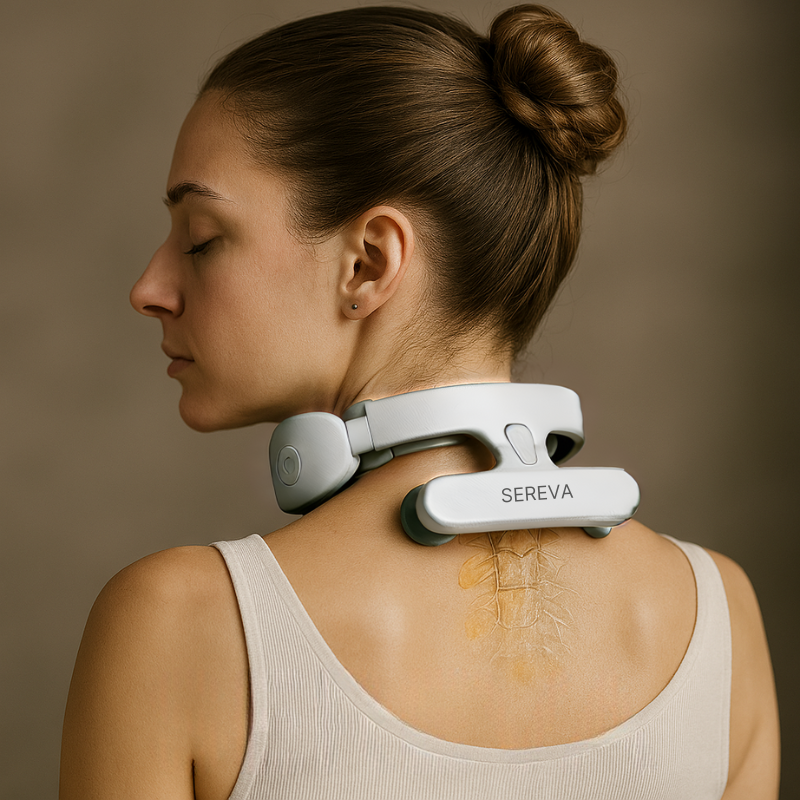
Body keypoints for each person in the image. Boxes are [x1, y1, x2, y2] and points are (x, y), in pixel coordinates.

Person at [59, 5, 780, 798]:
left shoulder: (178, 625)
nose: (149, 288)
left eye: (200, 238)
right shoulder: (723, 618)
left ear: (369, 263)